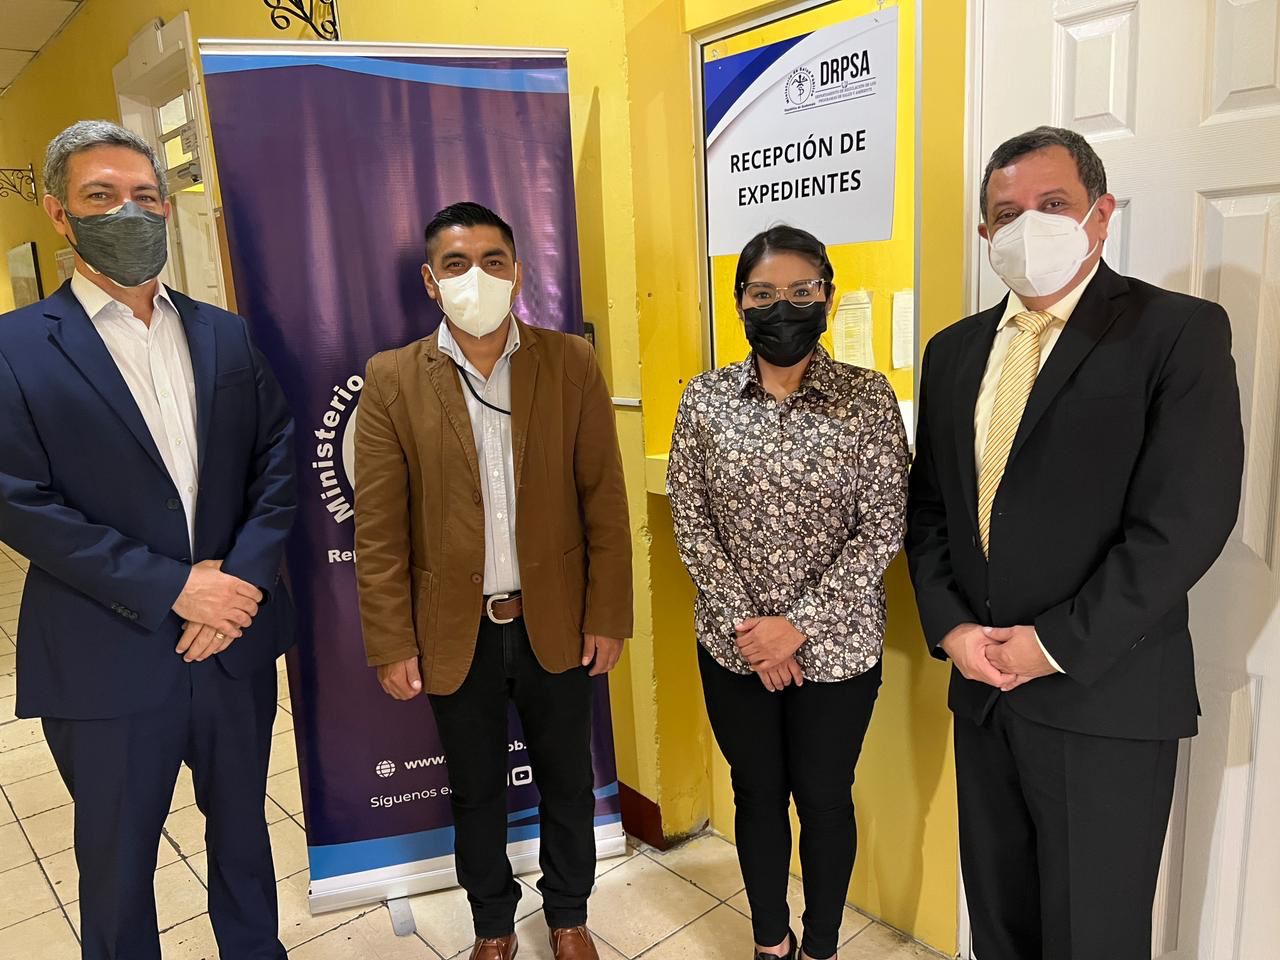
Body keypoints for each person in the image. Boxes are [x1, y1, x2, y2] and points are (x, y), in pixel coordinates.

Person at [905, 126, 1243, 960]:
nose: (1028, 225)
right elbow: (931, 510)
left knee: (1094, 937)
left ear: (1101, 213)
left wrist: (1053, 644)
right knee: (1000, 927)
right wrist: (952, 629)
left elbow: (1185, 522)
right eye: (1006, 213)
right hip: (984, 693)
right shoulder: (952, 352)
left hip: (1103, 699)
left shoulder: (1176, 332)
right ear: (985, 233)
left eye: (1052, 204)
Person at [0, 120, 296, 959]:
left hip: (232, 644)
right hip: (106, 656)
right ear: (60, 213)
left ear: (167, 207)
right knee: (118, 865)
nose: (127, 212)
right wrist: (174, 587)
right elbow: (18, 501)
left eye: (143, 196)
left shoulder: (224, 333)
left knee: (244, 840)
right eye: (101, 196)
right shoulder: (14, 349)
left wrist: (241, 583)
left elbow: (277, 459)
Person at [353, 201, 632, 960]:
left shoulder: (569, 363)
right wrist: (391, 641)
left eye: (492, 261)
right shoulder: (393, 377)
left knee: (568, 783)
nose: (475, 276)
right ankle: (492, 925)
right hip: (455, 629)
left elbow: (603, 501)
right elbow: (379, 530)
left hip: (558, 619)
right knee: (475, 791)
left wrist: (607, 614)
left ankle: (568, 915)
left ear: (517, 272)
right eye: (456, 264)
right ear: (430, 280)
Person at [667, 225, 908, 960]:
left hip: (837, 650)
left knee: (825, 799)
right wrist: (754, 628)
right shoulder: (704, 400)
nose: (784, 308)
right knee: (757, 794)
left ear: (828, 297)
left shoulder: (867, 398)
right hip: (735, 647)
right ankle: (771, 942)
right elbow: (690, 518)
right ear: (740, 303)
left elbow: (884, 524)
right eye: (764, 294)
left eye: (802, 291)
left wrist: (795, 626)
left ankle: (822, 946)